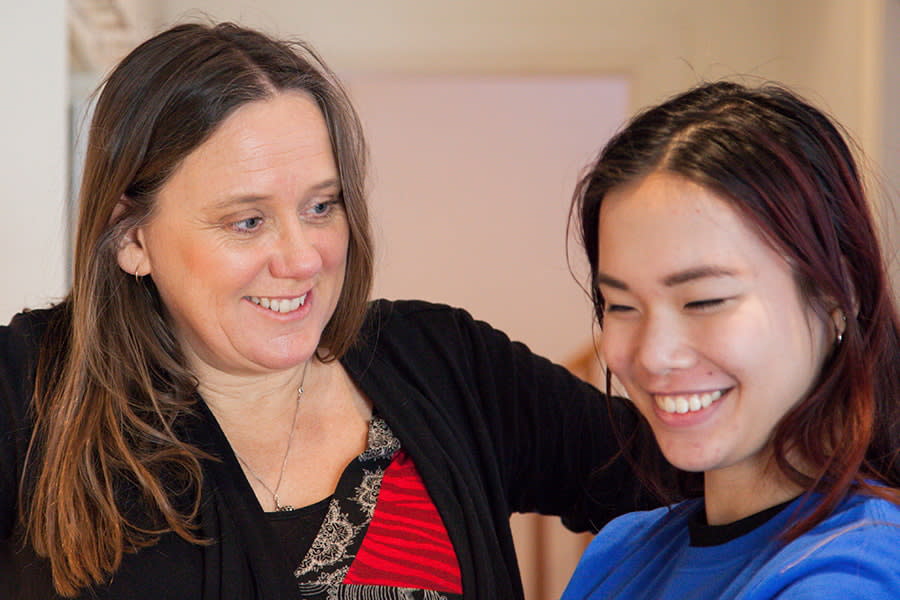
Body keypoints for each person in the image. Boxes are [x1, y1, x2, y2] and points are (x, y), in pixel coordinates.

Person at [0, 22, 648, 600]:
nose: (303, 258)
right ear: (132, 237)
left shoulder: (448, 363)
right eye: (247, 221)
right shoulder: (27, 390)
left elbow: (690, 482)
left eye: (321, 206)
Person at [561, 81, 900, 599]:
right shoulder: (621, 552)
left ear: (839, 292)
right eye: (622, 306)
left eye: (704, 301)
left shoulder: (853, 574)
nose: (654, 355)